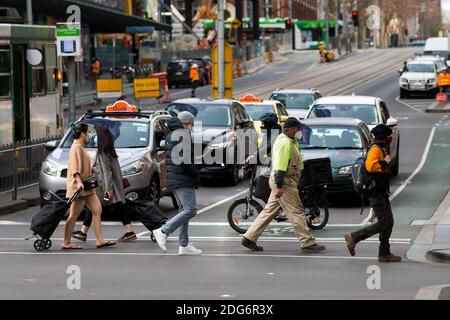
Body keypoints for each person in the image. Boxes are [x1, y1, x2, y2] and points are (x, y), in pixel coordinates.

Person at [241, 117, 326, 253]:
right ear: (291, 130)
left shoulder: (290, 140)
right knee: (297, 211)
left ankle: (249, 238)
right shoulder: (285, 142)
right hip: (285, 183)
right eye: (298, 129)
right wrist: (280, 186)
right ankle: (307, 242)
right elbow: (280, 166)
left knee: (269, 211)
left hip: (284, 181)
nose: (300, 131)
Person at [344, 124, 401, 263]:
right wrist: (384, 165)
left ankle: (384, 253)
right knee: (384, 222)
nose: (391, 138)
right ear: (383, 137)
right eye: (389, 136)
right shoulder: (376, 149)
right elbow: (371, 166)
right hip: (374, 192)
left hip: (380, 191)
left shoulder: (381, 148)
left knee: (389, 222)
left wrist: (385, 163)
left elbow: (383, 166)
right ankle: (354, 237)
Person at [72, 126, 137, 243]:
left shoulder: (103, 152)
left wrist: (108, 189)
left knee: (95, 205)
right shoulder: (108, 150)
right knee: (112, 205)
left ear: (101, 136)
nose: (94, 136)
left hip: (105, 187)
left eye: (96, 134)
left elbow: (107, 172)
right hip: (110, 186)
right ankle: (129, 231)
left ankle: (83, 232)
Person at [153, 111, 202, 255]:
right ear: (186, 123)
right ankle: (163, 231)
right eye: (190, 125)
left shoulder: (171, 134)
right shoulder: (183, 135)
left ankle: (184, 245)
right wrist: (196, 171)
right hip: (183, 178)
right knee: (190, 209)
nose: (191, 128)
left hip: (174, 177)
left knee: (184, 210)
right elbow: (184, 161)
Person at [63, 123, 116, 249]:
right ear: (82, 133)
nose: (89, 135)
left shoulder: (80, 147)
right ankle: (66, 242)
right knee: (74, 215)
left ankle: (99, 240)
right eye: (88, 132)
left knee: (97, 210)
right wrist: (79, 182)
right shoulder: (76, 147)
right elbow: (73, 167)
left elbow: (81, 166)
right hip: (80, 188)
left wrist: (90, 169)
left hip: (87, 187)